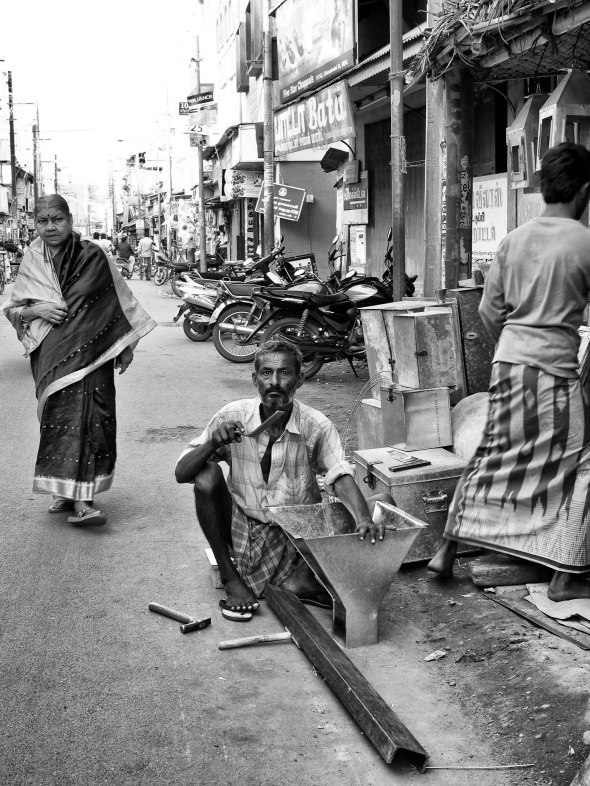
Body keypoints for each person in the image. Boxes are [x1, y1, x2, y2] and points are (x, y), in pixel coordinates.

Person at [428, 142, 590, 602]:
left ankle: (447, 548)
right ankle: (564, 573)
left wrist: (512, 345)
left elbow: (488, 309)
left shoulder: (513, 239)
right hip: (555, 372)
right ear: (584, 190)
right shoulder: (585, 241)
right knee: (578, 464)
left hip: (508, 363)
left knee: (496, 453)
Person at [175, 339, 389, 619]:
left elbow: (339, 474)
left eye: (284, 373)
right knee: (206, 474)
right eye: (266, 373)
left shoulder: (315, 425)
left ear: (299, 380)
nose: (274, 382)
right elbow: (182, 474)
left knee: (383, 503)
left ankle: (298, 581)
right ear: (255, 379)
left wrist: (362, 518)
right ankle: (231, 578)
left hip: (295, 533)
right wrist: (211, 444)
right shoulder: (233, 416)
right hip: (244, 533)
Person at [3, 195, 157, 526]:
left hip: (94, 354)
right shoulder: (32, 258)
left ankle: (84, 499)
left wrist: (125, 346)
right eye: (42, 221)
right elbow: (15, 310)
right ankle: (64, 489)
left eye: (56, 219)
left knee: (92, 418)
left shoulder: (93, 255)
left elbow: (117, 301)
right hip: (52, 354)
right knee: (58, 419)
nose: (49, 227)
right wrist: (38, 309)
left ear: (70, 220)